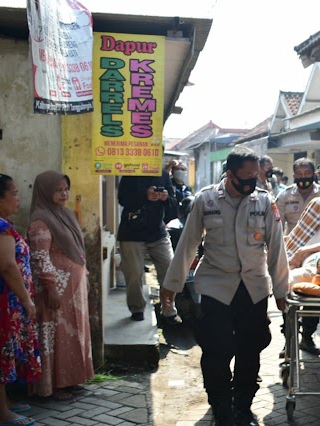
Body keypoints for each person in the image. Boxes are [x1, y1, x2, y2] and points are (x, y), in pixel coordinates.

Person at [160, 146, 289, 426]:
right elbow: (187, 245)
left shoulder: (265, 201)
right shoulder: (206, 200)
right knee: (216, 350)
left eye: (256, 176)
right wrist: (171, 286)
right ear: (229, 174)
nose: (251, 182)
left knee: (249, 350)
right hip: (216, 287)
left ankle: (242, 407)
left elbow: (277, 247)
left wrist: (281, 291)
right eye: (246, 176)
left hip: (253, 288)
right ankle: (221, 407)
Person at [26, 171, 93, 400]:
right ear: (45, 191)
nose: (64, 194)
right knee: (56, 335)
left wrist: (84, 273)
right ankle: (53, 386)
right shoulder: (40, 221)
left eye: (66, 189)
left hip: (73, 289)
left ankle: (71, 380)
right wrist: (51, 287)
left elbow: (77, 249)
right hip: (56, 289)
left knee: (73, 333)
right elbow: (40, 257)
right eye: (58, 190)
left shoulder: (66, 214)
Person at [276, 158, 320, 355]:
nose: (303, 178)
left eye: (307, 174)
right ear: (294, 175)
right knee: (289, 295)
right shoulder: (285, 196)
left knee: (315, 295)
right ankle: (288, 340)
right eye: (299, 175)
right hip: (292, 253)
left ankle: (307, 337)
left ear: (314, 173)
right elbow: (277, 227)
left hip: (318, 254)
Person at [0, 173, 41, 426]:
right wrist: (26, 300)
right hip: (5, 301)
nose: (18, 198)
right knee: (2, 353)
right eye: (13, 193)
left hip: (8, 301)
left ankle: (5, 403)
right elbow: (7, 266)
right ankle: (2, 414)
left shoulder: (5, 224)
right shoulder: (1, 228)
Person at [117, 171, 178, 322]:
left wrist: (165, 198)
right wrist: (145, 196)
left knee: (169, 268)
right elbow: (122, 199)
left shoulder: (163, 175)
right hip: (131, 233)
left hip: (157, 233)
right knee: (134, 273)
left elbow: (173, 203)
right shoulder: (130, 173)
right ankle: (137, 309)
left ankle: (168, 309)